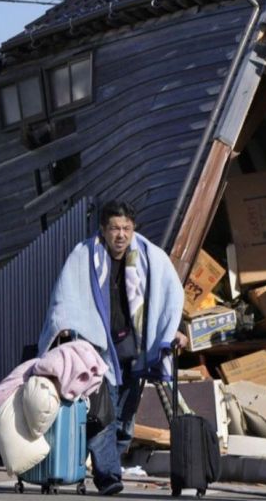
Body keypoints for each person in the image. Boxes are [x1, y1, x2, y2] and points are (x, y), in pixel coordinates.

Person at [38, 200, 186, 496]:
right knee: (103, 414)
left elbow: (168, 297)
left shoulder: (149, 258)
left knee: (125, 422)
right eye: (115, 228)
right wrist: (65, 326)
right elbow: (65, 296)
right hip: (97, 350)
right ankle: (108, 476)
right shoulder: (83, 256)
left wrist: (173, 332)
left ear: (133, 229)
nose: (121, 234)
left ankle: (109, 465)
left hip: (134, 347)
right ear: (103, 230)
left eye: (126, 228)